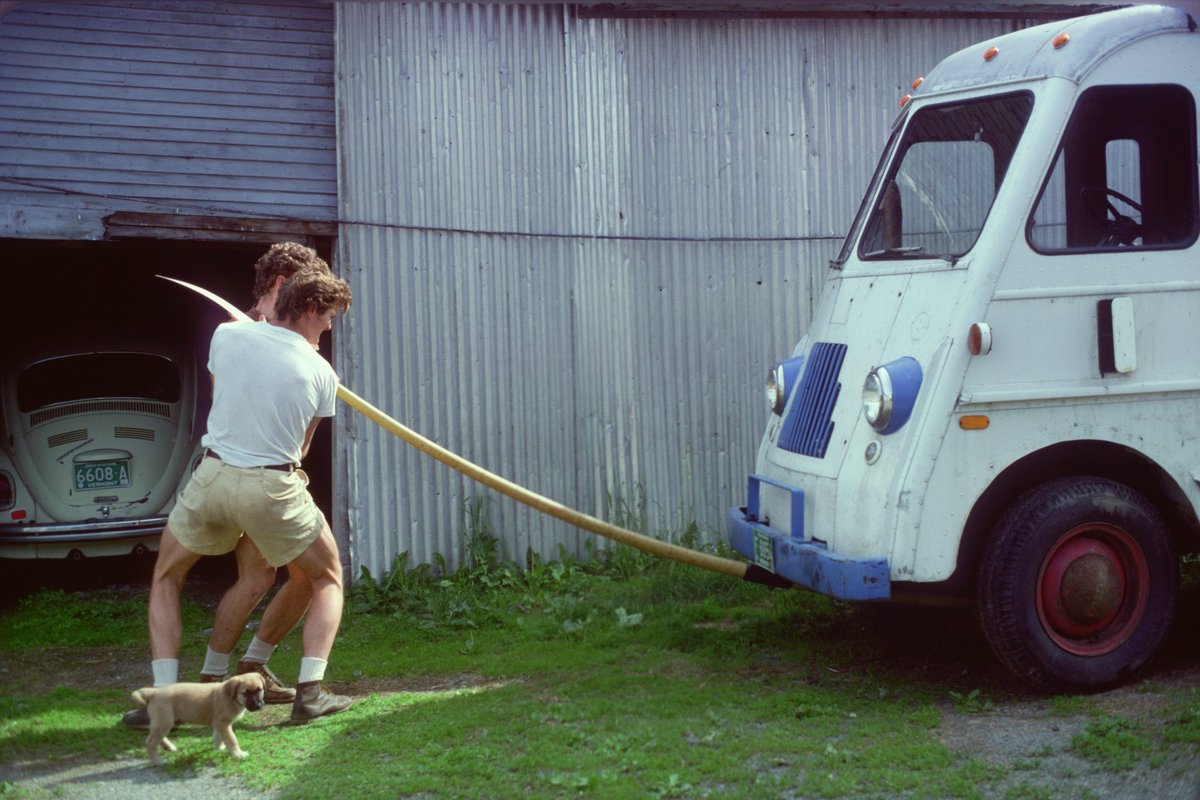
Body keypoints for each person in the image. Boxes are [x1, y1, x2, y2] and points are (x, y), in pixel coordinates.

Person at [122, 243, 332, 729]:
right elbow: (256, 421)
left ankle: (240, 671)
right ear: (284, 285)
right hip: (256, 478)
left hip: (219, 477)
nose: (319, 310)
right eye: (310, 293)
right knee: (317, 574)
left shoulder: (231, 337)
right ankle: (183, 694)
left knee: (260, 575)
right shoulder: (244, 336)